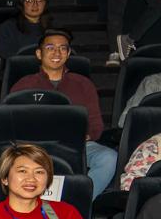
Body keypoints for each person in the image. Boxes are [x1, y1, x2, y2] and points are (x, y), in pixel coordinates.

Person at [10, 29, 117, 194]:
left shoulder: (83, 84)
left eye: (63, 48)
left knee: (109, 158)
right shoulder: (24, 85)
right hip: (35, 146)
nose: (56, 52)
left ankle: (79, 201)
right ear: (39, 53)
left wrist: (87, 135)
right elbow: (10, 121)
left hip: (75, 145)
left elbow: (96, 123)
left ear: (68, 54)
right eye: (50, 48)